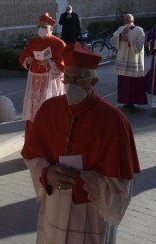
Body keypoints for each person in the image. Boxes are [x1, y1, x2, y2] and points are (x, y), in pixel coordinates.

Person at [22, 43, 141, 243]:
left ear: (93, 80)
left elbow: (121, 186)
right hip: (55, 203)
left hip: (92, 212)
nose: (71, 83)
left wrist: (83, 181)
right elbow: (32, 155)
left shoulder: (114, 121)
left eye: (79, 78)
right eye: (67, 77)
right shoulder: (48, 109)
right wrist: (47, 173)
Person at [19, 13, 66, 136]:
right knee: (34, 112)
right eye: (39, 26)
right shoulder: (33, 41)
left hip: (49, 84)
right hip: (34, 83)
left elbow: (63, 65)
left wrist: (49, 63)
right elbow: (23, 56)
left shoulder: (59, 44)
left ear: (52, 28)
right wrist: (27, 60)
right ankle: (32, 143)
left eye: (44, 27)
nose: (41, 29)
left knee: (49, 112)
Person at [112, 13, 147, 111]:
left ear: (133, 21)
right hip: (123, 60)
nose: (126, 22)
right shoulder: (121, 29)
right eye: (125, 20)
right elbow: (113, 38)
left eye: (128, 20)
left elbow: (140, 45)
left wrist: (128, 40)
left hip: (133, 60)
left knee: (134, 83)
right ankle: (127, 101)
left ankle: (134, 101)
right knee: (125, 83)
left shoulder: (139, 30)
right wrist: (120, 36)